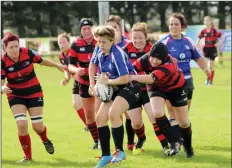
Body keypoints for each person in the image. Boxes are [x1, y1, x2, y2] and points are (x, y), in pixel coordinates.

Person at [1, 32, 65, 163]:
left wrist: (57, 65)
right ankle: (28, 157)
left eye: (16, 46)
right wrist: (2, 88)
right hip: (15, 94)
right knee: (22, 124)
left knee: (37, 127)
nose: (14, 50)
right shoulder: (3, 62)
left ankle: (45, 139)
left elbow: (42, 60)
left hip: (34, 92)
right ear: (5, 48)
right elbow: (1, 82)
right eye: (10, 47)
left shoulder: (27, 53)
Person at [89, 25, 145, 168]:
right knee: (100, 118)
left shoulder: (117, 53)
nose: (101, 45)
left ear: (112, 41)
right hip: (115, 88)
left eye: (104, 42)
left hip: (130, 87)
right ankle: (107, 155)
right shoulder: (101, 54)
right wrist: (96, 86)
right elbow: (102, 75)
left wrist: (108, 82)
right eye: (99, 42)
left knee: (114, 113)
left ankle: (120, 152)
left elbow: (126, 78)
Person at [131, 43, 194, 158]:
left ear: (164, 58)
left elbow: (150, 78)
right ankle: (173, 142)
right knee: (157, 113)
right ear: (150, 54)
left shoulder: (169, 64)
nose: (154, 61)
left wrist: (132, 77)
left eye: (158, 59)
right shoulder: (145, 59)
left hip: (176, 88)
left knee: (184, 122)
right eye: (152, 57)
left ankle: (188, 148)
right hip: (156, 87)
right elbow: (131, 69)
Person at [158, 13, 211, 143]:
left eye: (176, 24)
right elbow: (153, 59)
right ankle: (176, 140)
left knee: (184, 115)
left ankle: (183, 136)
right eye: (171, 24)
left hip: (186, 81)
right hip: (169, 82)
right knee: (171, 112)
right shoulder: (163, 42)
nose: (173, 27)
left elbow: (198, 57)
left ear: (182, 26)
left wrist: (205, 68)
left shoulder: (188, 41)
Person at [124, 22, 170, 155]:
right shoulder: (125, 50)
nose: (137, 40)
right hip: (132, 90)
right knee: (136, 123)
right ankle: (142, 138)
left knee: (154, 117)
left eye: (140, 38)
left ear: (145, 38)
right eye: (135, 38)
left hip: (150, 90)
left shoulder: (153, 49)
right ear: (131, 38)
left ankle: (165, 146)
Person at [67, 18, 99, 149]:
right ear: (80, 30)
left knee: (103, 114)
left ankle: (109, 142)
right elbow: (70, 65)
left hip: (100, 82)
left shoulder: (99, 42)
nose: (86, 31)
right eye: (83, 29)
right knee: (89, 115)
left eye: (88, 28)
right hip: (84, 83)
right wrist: (76, 70)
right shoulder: (76, 44)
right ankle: (97, 142)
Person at [57, 32, 88, 131]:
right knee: (76, 104)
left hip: (85, 80)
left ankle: (95, 125)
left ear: (69, 42)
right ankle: (89, 125)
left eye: (64, 42)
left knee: (89, 105)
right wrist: (66, 79)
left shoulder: (74, 51)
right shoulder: (61, 56)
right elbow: (67, 69)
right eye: (60, 43)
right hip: (76, 81)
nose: (61, 45)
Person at [196, 16, 224, 85]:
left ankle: (210, 81)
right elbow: (199, 38)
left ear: (210, 22)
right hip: (206, 49)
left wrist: (219, 43)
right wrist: (197, 44)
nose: (206, 22)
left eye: (207, 20)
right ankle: (208, 79)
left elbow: (222, 36)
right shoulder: (203, 31)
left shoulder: (214, 30)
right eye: (205, 21)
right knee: (206, 66)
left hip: (212, 49)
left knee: (211, 66)